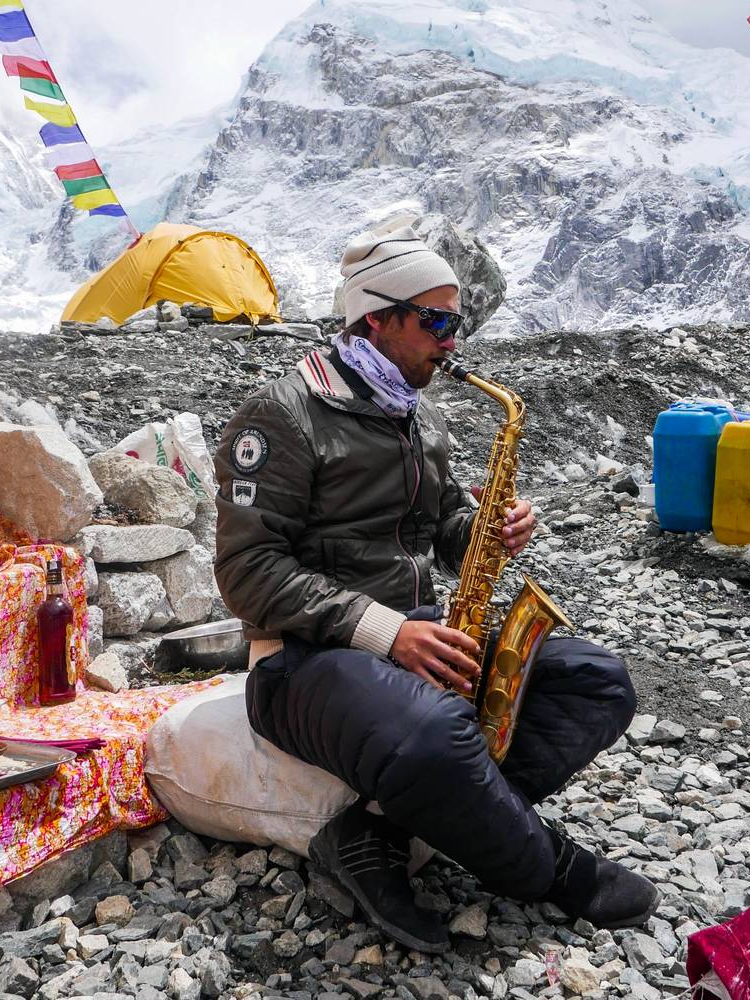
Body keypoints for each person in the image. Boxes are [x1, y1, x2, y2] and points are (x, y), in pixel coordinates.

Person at [213, 225, 659, 953]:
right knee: (435, 732)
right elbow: (246, 572)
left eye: (458, 323)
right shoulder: (282, 414)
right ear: (375, 318)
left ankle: (376, 833)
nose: (452, 342)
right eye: (436, 322)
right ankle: (551, 869)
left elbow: (441, 527)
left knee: (598, 682)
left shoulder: (419, 413)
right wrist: (388, 633)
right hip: (299, 659)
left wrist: (485, 529)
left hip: (416, 640)